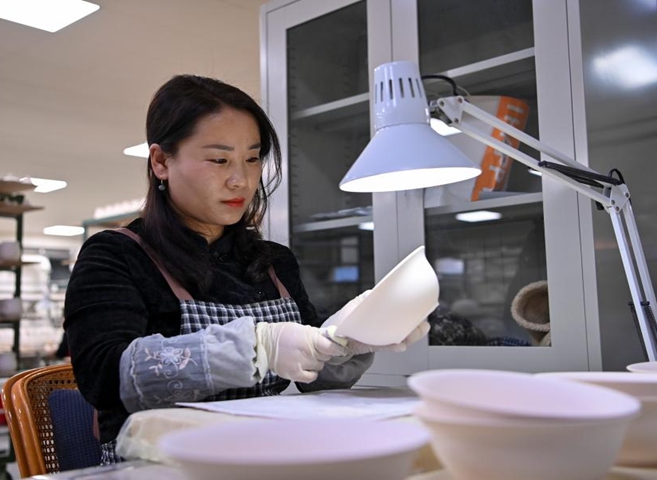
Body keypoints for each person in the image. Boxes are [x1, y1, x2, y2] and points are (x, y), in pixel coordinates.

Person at [63, 74, 429, 464]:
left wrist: (344, 342)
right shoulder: (116, 254)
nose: (241, 180)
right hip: (158, 465)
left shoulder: (272, 261)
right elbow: (104, 376)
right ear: (160, 162)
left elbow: (313, 382)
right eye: (219, 160)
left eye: (253, 158)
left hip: (267, 457)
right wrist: (257, 347)